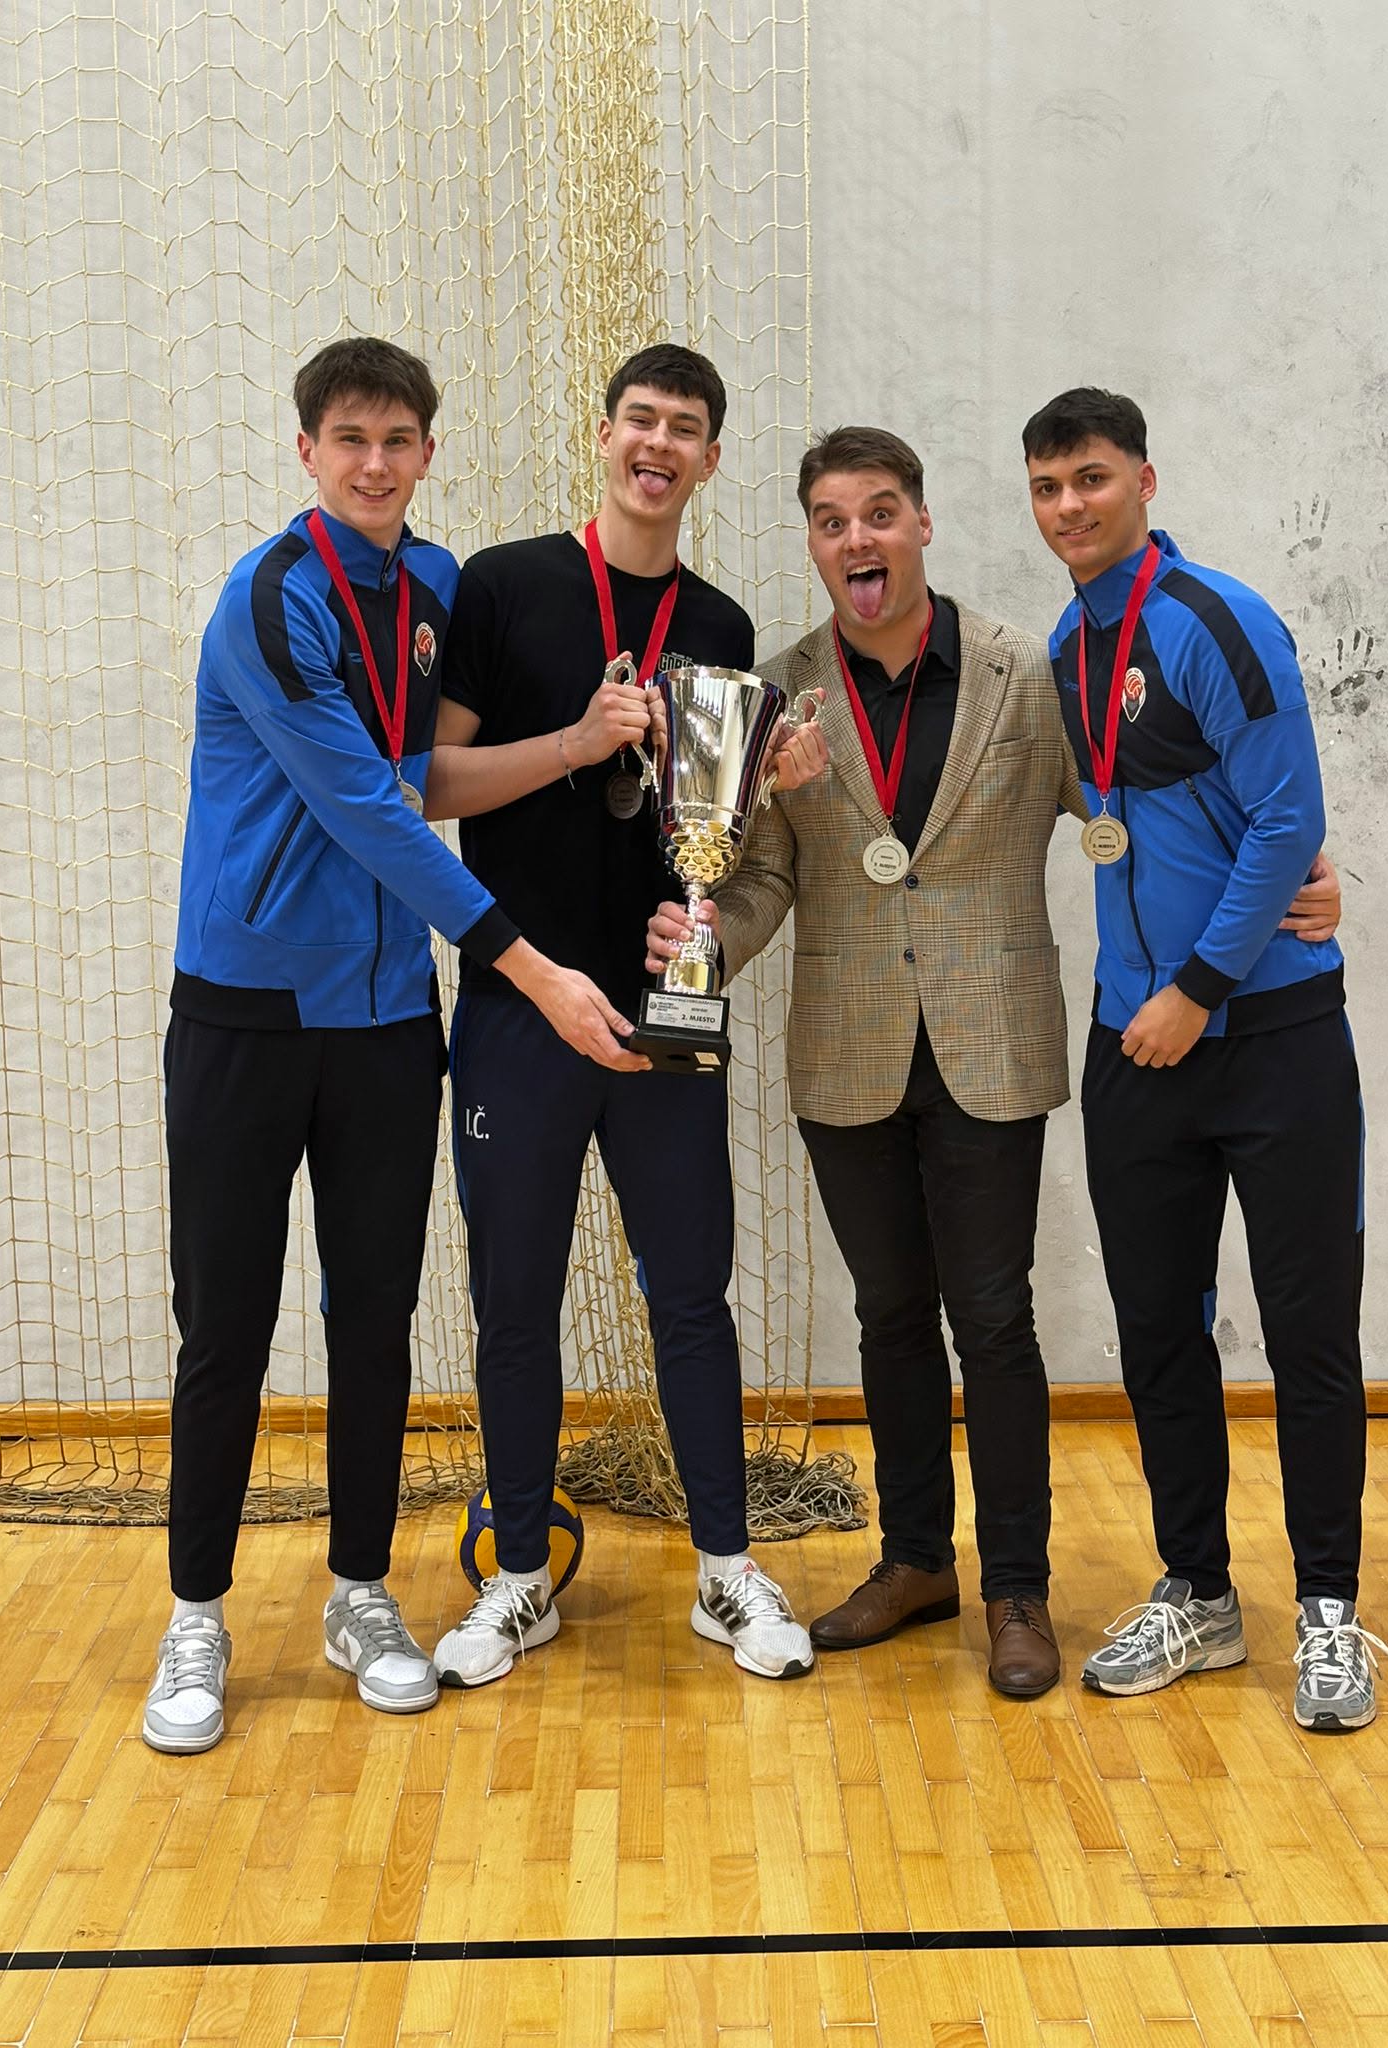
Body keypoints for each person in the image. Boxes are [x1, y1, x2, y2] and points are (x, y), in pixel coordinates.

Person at [647, 426, 1342, 1701]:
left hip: (994, 1043)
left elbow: (1133, 803)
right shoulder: (779, 691)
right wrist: (700, 945)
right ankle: (915, 1558)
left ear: (922, 523)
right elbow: (758, 880)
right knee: (889, 1316)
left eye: (880, 512)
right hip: (848, 1049)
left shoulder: (1034, 669)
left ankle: (1017, 1586)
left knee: (995, 1317)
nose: (857, 538)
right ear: (813, 543)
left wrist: (1302, 868)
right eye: (831, 520)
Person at [147, 338, 638, 1755]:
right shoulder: (268, 597)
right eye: (350, 439)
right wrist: (531, 966)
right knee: (226, 1327)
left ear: (428, 452)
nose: (375, 462)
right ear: (308, 449)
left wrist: (578, 744)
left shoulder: (434, 590)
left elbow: (431, 777)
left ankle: (360, 1591)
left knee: (376, 1316)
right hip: (245, 1012)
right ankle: (195, 1614)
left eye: (398, 439)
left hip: (382, 1024)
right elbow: (368, 804)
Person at [426, 344, 825, 1689]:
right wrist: (576, 743)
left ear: (709, 459)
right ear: (603, 436)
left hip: (667, 1009)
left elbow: (710, 840)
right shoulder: (505, 585)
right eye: (640, 419)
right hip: (521, 998)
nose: (659, 443)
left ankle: (725, 1569)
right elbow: (429, 784)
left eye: (685, 427)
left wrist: (765, 799)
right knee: (514, 1301)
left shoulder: (720, 624)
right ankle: (520, 1577)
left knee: (692, 1294)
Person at [1022, 386, 1385, 1732]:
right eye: (1049, 486)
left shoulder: (1217, 618)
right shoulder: (1069, 644)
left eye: (1092, 477)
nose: (1070, 505)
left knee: (1310, 1335)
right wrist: (1154, 1002)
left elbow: (1289, 817)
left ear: (1144, 479)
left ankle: (1330, 1609)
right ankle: (1201, 1592)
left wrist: (1199, 986)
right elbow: (1124, 811)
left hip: (1272, 1038)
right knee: (1159, 1334)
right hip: (1137, 1048)